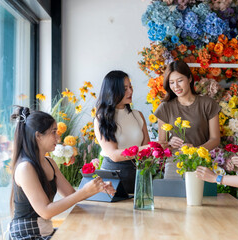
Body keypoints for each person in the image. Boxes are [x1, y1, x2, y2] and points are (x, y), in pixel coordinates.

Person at [9, 106, 114, 240]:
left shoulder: (49, 162)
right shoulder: (25, 168)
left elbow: (70, 194)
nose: (58, 138)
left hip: (45, 232)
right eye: (54, 132)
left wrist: (99, 188)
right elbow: (46, 211)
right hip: (27, 236)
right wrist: (84, 191)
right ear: (38, 136)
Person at [154, 60, 221, 178]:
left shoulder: (207, 104)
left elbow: (215, 139)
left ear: (189, 79)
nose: (176, 86)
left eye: (180, 81)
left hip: (200, 163)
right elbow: (162, 145)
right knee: (172, 197)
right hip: (175, 165)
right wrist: (169, 143)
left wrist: (195, 150)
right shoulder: (165, 107)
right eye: (171, 82)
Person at [94, 70, 150, 193]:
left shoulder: (137, 115)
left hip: (138, 174)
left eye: (130, 86)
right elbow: (114, 155)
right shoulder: (102, 119)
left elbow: (146, 150)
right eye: (125, 89)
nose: (130, 91)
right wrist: (149, 149)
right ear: (112, 90)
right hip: (113, 178)